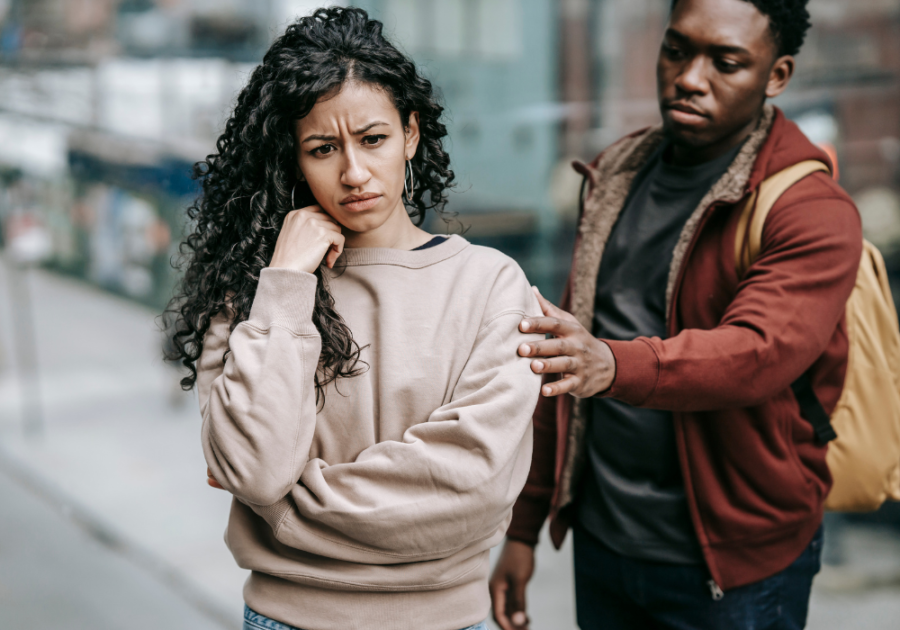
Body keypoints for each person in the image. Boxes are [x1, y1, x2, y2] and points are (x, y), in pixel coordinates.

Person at [165, 8, 543, 630]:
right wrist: (286, 282)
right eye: (322, 149)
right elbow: (257, 469)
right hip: (284, 621)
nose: (354, 173)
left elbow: (470, 488)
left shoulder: (490, 285)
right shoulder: (256, 297)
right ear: (293, 158)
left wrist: (287, 510)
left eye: (373, 139)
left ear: (411, 134)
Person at [490, 0, 862, 629]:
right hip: (605, 541)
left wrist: (611, 363)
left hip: (732, 563)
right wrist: (524, 527)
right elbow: (563, 364)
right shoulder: (616, 176)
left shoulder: (810, 208)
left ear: (777, 75)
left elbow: (756, 353)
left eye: (726, 62)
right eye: (677, 50)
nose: (690, 77)